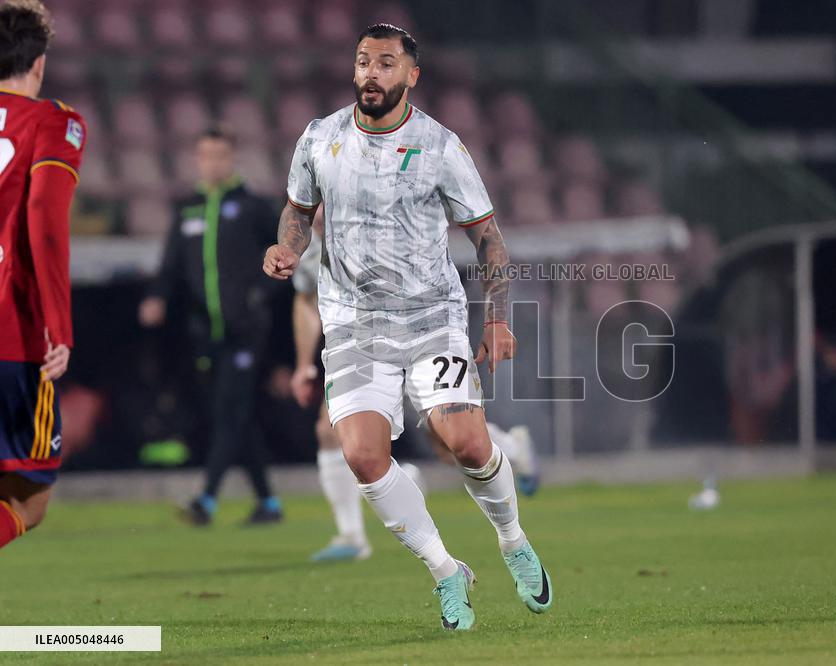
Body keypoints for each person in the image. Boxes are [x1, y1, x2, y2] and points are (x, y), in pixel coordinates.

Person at [265, 24, 552, 630]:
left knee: (467, 444)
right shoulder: (320, 138)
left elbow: (488, 239)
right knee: (364, 457)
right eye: (363, 61)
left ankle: (512, 539)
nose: (371, 73)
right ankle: (446, 570)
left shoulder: (441, 146)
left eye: (386, 63)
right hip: (354, 321)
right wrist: (287, 246)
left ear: (411, 76)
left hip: (431, 317)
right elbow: (298, 209)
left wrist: (497, 317)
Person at [290, 218, 540, 563]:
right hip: (365, 346)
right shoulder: (306, 241)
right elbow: (306, 299)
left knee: (448, 441)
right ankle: (351, 533)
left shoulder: (375, 216)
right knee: (330, 430)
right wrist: (304, 364)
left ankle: (512, 449)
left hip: (420, 332)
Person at [139, 127, 282, 526]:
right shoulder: (188, 209)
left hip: (246, 330)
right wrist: (157, 297)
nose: (212, 163)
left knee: (228, 409)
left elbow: (283, 259)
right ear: (197, 160)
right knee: (237, 414)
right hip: (207, 331)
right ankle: (268, 503)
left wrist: (259, 298)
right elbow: (171, 267)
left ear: (232, 158)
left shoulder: (254, 207)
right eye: (205, 156)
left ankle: (206, 500)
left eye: (220, 155)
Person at [0, 0, 87, 549]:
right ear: (39, 64)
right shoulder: (54, 120)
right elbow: (45, 221)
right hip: (14, 333)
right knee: (28, 503)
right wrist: (60, 326)